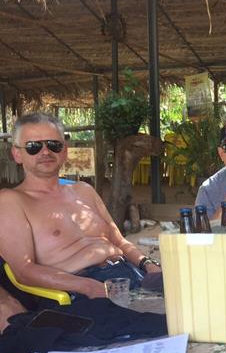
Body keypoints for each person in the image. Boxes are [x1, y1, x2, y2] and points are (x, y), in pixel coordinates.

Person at [0, 113, 162, 331]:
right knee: (166, 326)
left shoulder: (84, 191)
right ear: (17, 154)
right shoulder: (11, 201)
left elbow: (119, 241)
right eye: (33, 147)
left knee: (198, 296)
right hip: (78, 288)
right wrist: (86, 286)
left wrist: (148, 265)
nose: (45, 152)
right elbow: (24, 271)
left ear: (64, 150)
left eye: (53, 145)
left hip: (129, 274)